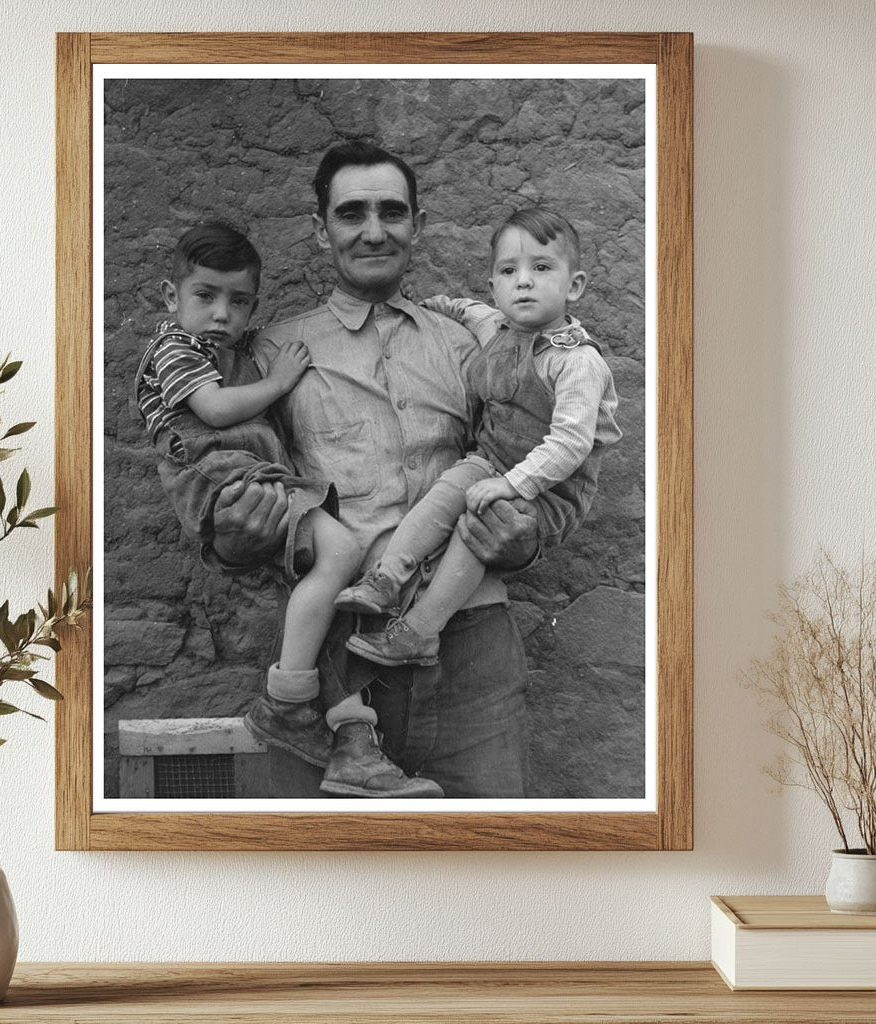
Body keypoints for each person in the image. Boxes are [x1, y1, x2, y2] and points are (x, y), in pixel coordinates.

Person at [211, 142, 544, 798]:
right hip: (335, 670)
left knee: (495, 865)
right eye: (352, 213)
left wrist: (524, 538)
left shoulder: (469, 345)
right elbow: (237, 490)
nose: (373, 230)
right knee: (326, 885)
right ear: (321, 228)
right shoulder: (274, 351)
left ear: (416, 225)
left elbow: (522, 466)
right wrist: (232, 532)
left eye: (392, 212)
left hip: (469, 653)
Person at [136, 221, 442, 798]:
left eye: (240, 301)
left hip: (255, 472)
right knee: (342, 551)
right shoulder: (175, 349)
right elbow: (217, 409)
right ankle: (286, 698)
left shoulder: (223, 348)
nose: (223, 314)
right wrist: (278, 382)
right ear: (168, 298)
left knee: (314, 587)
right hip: (223, 474)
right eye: (206, 296)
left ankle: (337, 724)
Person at [337, 206, 622, 666]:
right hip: (492, 461)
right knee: (445, 490)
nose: (523, 282)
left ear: (575, 286)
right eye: (509, 271)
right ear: (494, 287)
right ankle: (387, 577)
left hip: (549, 492)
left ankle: (420, 632)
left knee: (479, 526)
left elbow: (571, 444)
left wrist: (510, 485)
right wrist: (430, 307)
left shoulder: (576, 363)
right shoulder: (499, 328)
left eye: (541, 268)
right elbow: (467, 310)